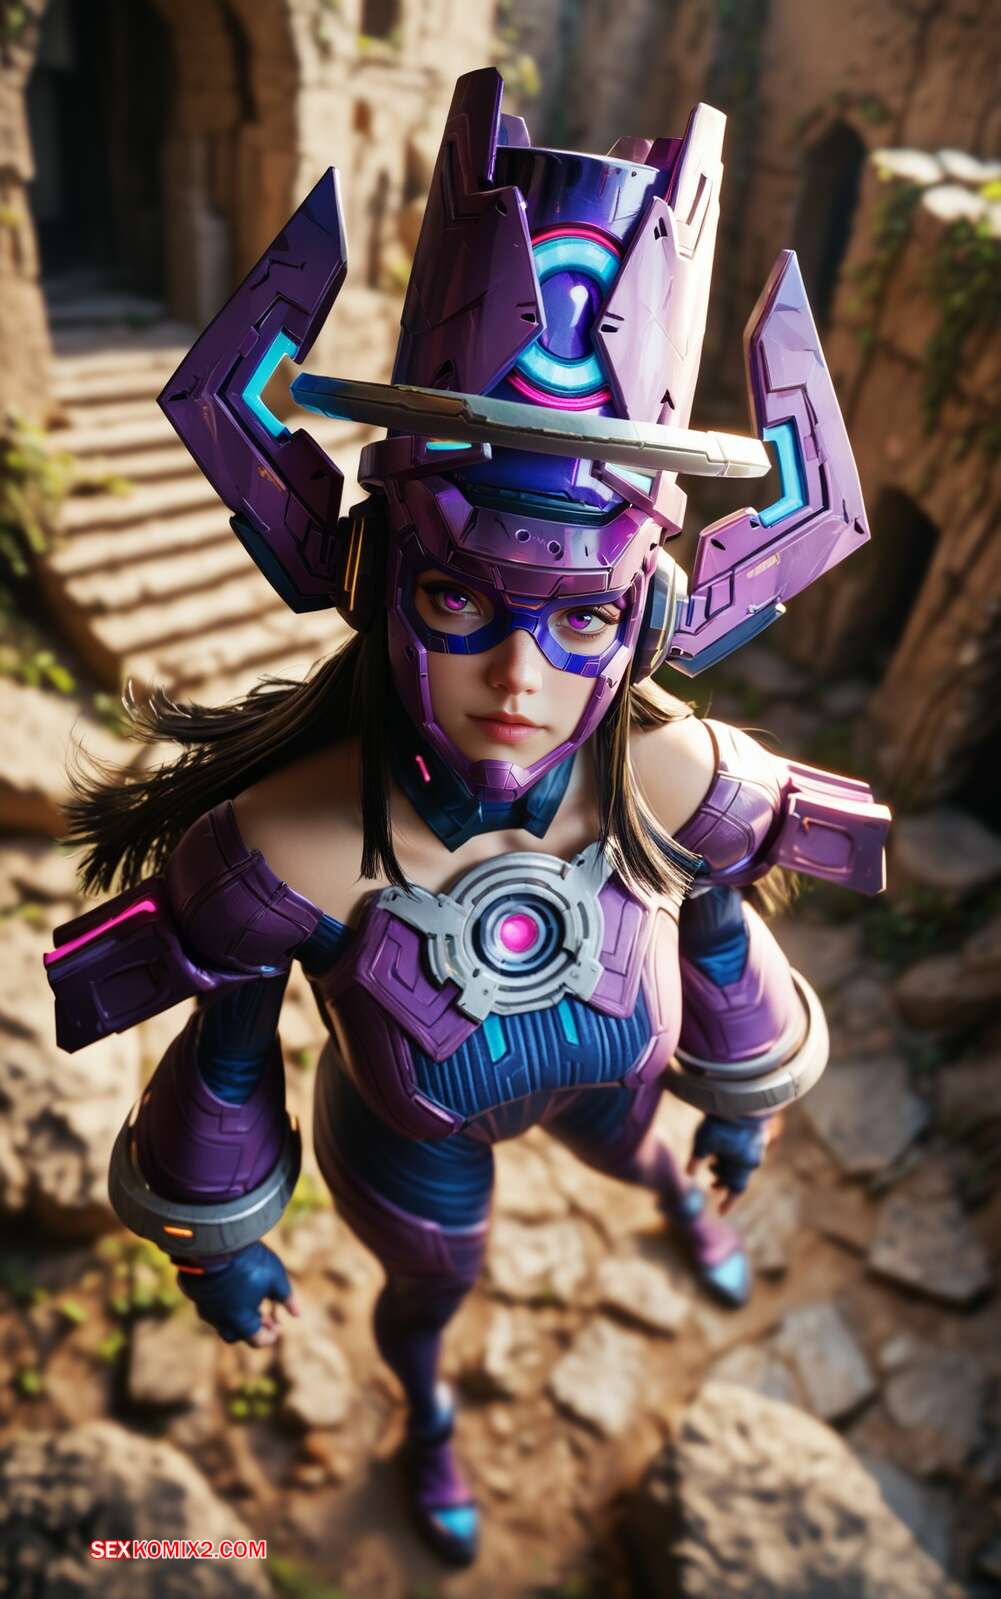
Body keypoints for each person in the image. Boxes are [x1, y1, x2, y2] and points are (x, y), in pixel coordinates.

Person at [45, 69, 889, 1567]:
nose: (519, 678)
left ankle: (681, 1203)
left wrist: (740, 1106)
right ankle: (426, 1415)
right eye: (459, 599)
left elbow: (714, 936)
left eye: (579, 620)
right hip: (408, 1135)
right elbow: (223, 1060)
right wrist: (213, 1250)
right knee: (432, 1292)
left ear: (647, 618)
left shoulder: (673, 778)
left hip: (616, 1074)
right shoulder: (289, 847)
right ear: (378, 580)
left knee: (647, 1159)